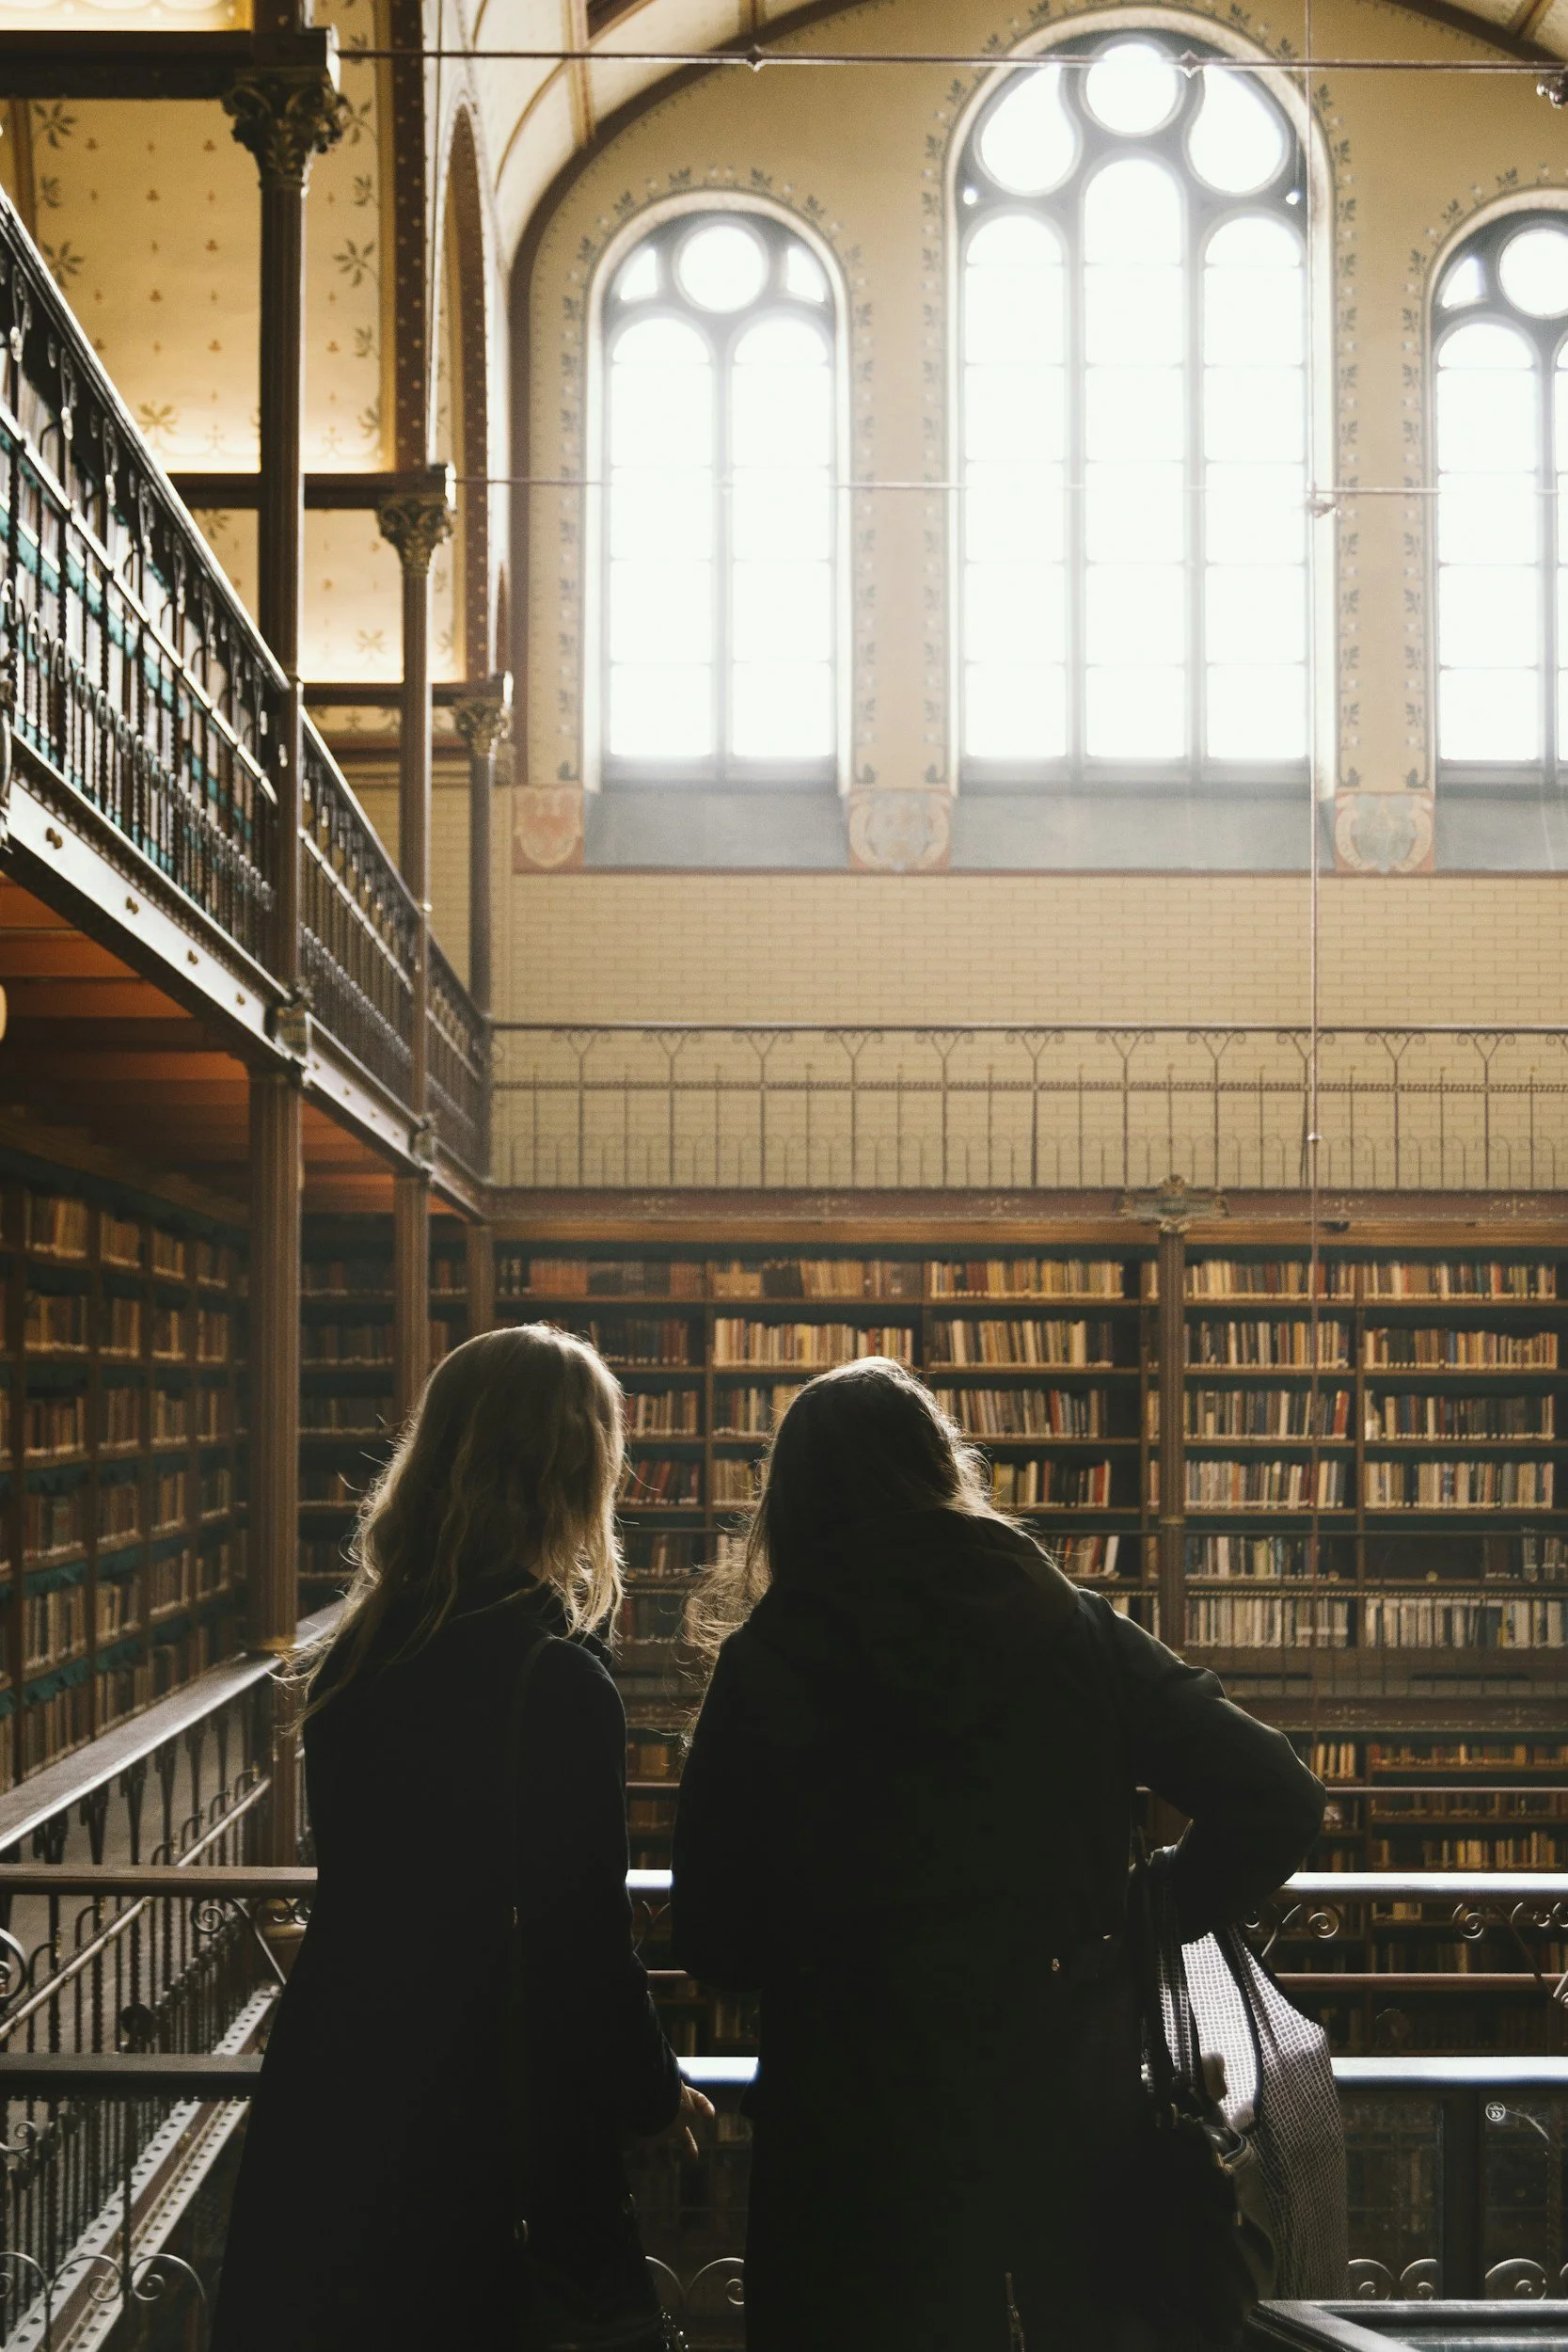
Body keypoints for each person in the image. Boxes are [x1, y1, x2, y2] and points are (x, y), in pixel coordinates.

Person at [672, 1357, 1324, 2352]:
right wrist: (1132, 1913)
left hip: (851, 2119)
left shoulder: (769, 1659)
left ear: (792, 1499)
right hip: (1063, 2093)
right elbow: (1276, 1796)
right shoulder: (1067, 1627)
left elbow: (712, 1934)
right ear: (942, 1468)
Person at [213, 1325, 709, 2352]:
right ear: (577, 1474)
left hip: (342, 2088)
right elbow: (581, 1937)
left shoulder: (358, 1653)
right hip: (483, 2119)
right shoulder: (556, 1679)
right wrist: (654, 2094)